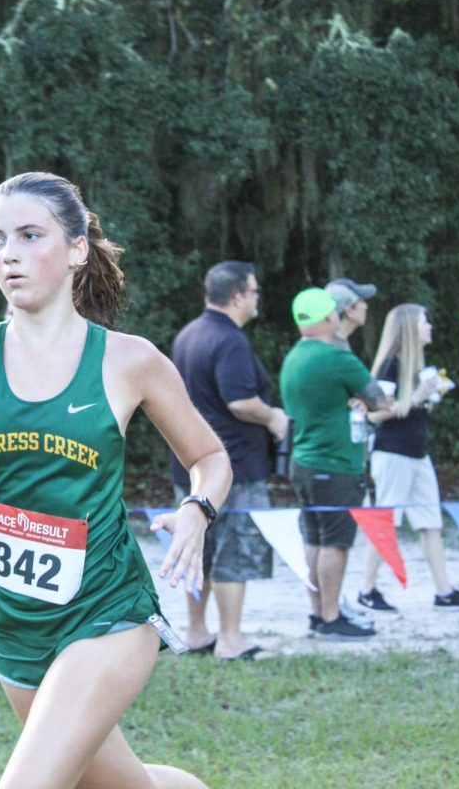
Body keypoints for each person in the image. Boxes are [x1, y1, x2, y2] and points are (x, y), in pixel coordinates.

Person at [0, 172, 229, 789]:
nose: (8, 254)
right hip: (11, 622)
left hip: (105, 614)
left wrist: (197, 509)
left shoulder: (128, 360)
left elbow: (211, 457)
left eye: (30, 235)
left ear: (78, 247)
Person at [170, 261, 287, 660]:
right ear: (238, 296)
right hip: (232, 467)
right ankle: (231, 640)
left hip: (189, 464)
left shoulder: (188, 334)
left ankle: (197, 632)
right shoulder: (231, 341)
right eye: (254, 291)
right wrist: (274, 417)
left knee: (197, 547)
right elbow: (239, 401)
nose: (257, 298)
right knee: (235, 550)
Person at [281, 288, 389, 641]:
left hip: (303, 461)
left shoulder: (293, 357)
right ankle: (331, 616)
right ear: (330, 318)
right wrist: (361, 401)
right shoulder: (337, 359)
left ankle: (318, 612)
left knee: (314, 538)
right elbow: (379, 401)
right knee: (336, 543)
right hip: (336, 462)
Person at [358, 304, 459, 613]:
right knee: (386, 521)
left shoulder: (415, 366)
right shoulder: (389, 366)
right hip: (393, 454)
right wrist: (418, 397)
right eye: (425, 322)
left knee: (430, 522)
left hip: (418, 454)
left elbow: (407, 406)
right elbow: (377, 413)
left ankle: (444, 591)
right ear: (410, 327)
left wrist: (431, 395)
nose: (430, 327)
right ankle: (366, 590)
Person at [325, 278, 377, 352]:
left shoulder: (330, 344)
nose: (366, 306)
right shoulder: (336, 351)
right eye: (361, 301)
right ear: (349, 311)